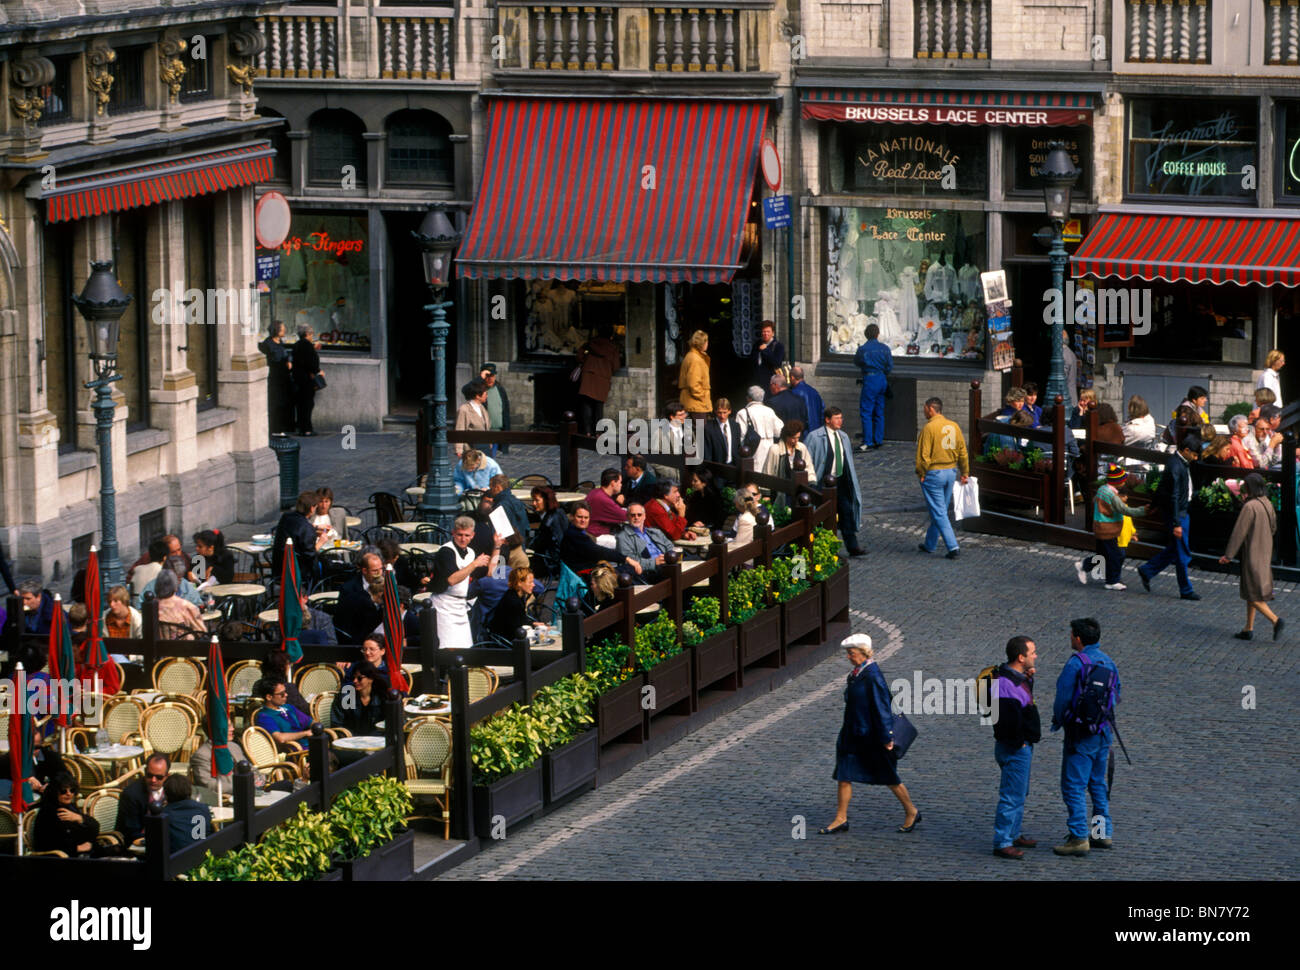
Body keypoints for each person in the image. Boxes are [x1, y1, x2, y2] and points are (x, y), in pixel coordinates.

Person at [820, 634, 920, 835]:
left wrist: (886, 738)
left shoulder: (872, 676)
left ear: (863, 653)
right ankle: (841, 818)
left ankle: (911, 810)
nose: (848, 657)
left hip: (871, 738)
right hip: (853, 735)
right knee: (844, 774)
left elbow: (882, 708)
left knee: (888, 776)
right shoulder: (859, 673)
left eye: (851, 653)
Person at [1051, 618, 1121, 855]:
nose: (1070, 638)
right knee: (1098, 784)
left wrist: (1058, 721)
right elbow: (1116, 693)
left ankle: (1079, 837)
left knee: (1073, 785)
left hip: (1080, 734)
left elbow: (1062, 698)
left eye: (1071, 635)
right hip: (1103, 733)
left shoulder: (1075, 664)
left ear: (1078, 638)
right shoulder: (1109, 662)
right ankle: (1102, 833)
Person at [1137, 425, 1202, 600]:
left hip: (1179, 511)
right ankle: (1186, 590)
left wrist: (1154, 504)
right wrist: (1176, 523)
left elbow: (1164, 489)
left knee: (1176, 549)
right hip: (1179, 514)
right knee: (1182, 552)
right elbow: (1173, 495)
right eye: (1195, 455)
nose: (1195, 458)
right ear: (1186, 450)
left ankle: (1147, 570)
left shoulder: (1176, 463)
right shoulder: (1176, 466)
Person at [991, 636, 1041, 859]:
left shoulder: (1014, 678)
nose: (1035, 656)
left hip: (1018, 746)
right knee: (1012, 795)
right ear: (1021, 657)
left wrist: (1028, 680)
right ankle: (1003, 842)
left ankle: (1012, 834)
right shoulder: (1006, 685)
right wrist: (1019, 742)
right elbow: (1007, 719)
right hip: (1015, 748)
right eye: (1032, 652)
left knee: (1019, 792)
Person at [1219, 473, 1284, 641]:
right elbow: (1274, 527)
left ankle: (1275, 620)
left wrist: (1228, 555)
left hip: (1252, 553)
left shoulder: (1250, 507)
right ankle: (1248, 628)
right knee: (1252, 590)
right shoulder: (1267, 503)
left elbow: (1238, 533)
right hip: (1265, 551)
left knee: (1252, 593)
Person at [429, 516, 501, 651]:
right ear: (453, 533)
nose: (463, 539)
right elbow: (451, 580)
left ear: (472, 535)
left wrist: (497, 546)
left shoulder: (471, 553)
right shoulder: (446, 551)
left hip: (461, 606)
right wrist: (474, 564)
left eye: (467, 535)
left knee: (466, 649)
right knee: (449, 650)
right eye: (459, 535)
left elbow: (492, 572)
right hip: (444, 606)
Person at [804, 406, 865, 556]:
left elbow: (847, 459)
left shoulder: (843, 436)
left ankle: (853, 546)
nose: (840, 421)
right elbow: (806, 458)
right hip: (822, 483)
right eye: (837, 418)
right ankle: (824, 548)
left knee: (847, 512)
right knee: (822, 515)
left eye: (841, 418)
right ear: (827, 420)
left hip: (841, 481)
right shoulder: (815, 436)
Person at [1075, 464, 1147, 590]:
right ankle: (1112, 581)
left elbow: (1094, 501)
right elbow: (1125, 510)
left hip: (1099, 527)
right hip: (1108, 529)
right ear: (1117, 482)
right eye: (1123, 480)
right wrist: (1144, 510)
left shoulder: (1102, 489)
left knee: (1103, 554)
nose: (1124, 482)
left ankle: (1084, 565)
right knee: (1116, 555)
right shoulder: (1112, 496)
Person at [915, 397, 969, 559]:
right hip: (951, 471)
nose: (924, 411)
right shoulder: (954, 426)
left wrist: (921, 473)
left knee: (939, 512)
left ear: (931, 408)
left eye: (925, 408)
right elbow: (962, 451)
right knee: (940, 509)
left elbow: (923, 456)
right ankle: (930, 543)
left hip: (934, 473)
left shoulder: (929, 428)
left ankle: (953, 546)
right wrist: (964, 472)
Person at [34, 774, 106, 857]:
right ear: (54, 792)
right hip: (59, 859)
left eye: (72, 790)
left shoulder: (70, 807)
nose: (69, 794)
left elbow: (95, 828)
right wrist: (77, 848)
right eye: (63, 791)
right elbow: (48, 843)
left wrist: (80, 818)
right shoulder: (48, 812)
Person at [115, 754, 171, 844]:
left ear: (167, 776)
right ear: (145, 771)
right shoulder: (131, 794)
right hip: (136, 843)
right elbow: (132, 831)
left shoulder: (171, 789)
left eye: (159, 777)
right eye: (149, 775)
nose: (153, 780)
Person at [854, 323, 893, 451]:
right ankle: (878, 439)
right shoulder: (885, 348)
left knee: (866, 411)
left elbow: (857, 362)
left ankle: (868, 441)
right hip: (882, 379)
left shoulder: (863, 349)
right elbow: (889, 366)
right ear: (877, 334)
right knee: (879, 411)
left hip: (870, 378)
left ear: (866, 335)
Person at [575, 326, 621, 435]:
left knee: (586, 404)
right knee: (598, 407)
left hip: (588, 375)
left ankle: (587, 431)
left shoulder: (590, 344)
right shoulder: (613, 348)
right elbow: (616, 366)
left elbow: (579, 356)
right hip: (602, 378)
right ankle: (598, 432)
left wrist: (586, 360)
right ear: (610, 335)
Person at [253, 676, 316, 752]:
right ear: (269, 697)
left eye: (285, 692)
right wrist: (305, 733)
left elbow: (310, 721)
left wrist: (316, 727)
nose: (286, 695)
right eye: (282, 694)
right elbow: (280, 738)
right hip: (294, 751)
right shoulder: (264, 716)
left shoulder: (288, 707)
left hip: (308, 746)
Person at [334, 551, 386, 644]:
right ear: (364, 571)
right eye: (374, 571)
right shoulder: (348, 589)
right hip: (358, 637)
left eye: (381, 569)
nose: (379, 574)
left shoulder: (386, 583)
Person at [614, 504, 673, 581]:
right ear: (628, 517)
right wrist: (654, 562)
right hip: (651, 571)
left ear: (644, 516)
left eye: (639, 515)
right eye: (633, 515)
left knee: (692, 561)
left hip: (668, 563)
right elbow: (629, 560)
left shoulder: (655, 532)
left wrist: (669, 557)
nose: (636, 517)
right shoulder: (622, 537)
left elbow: (669, 545)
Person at [462, 363, 511, 456]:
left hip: (497, 433)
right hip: (483, 434)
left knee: (491, 461)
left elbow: (506, 412)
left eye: (492, 376)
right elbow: (465, 390)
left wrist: (507, 435)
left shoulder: (500, 389)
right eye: (487, 376)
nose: (490, 379)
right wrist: (480, 378)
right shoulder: (479, 391)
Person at [272, 490, 320, 583]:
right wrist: (321, 542)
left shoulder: (286, 517)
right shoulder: (306, 528)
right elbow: (310, 555)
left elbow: (295, 529)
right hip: (299, 572)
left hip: (279, 569)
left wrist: (314, 528)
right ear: (312, 508)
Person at [488, 567, 549, 640]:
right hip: (504, 642)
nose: (533, 585)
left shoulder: (515, 595)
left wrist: (533, 623)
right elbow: (515, 626)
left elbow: (519, 619)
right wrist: (533, 626)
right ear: (519, 583)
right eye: (530, 582)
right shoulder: (513, 601)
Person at [330, 660, 388, 734]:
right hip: (350, 740)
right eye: (353, 677)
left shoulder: (381, 696)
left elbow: (386, 723)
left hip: (376, 739)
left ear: (370, 679)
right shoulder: (347, 696)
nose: (355, 681)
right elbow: (337, 723)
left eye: (359, 678)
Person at [489, 474, 532, 570]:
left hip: (506, 552)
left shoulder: (499, 506)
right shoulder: (517, 502)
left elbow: (498, 534)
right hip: (520, 548)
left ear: (497, 487)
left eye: (491, 487)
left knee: (501, 578)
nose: (490, 490)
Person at [259, 321, 295, 434]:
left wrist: (288, 361)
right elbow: (270, 360)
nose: (284, 331)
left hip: (283, 377)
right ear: (277, 330)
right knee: (276, 402)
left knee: (284, 402)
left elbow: (284, 354)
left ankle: (283, 427)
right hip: (275, 377)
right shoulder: (268, 344)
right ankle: (275, 428)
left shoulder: (280, 342)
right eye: (282, 329)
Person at [735, 385, 782, 471]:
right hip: (770, 449)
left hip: (752, 450)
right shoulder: (770, 411)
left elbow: (740, 435)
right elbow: (779, 431)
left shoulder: (742, 413)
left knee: (754, 478)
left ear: (749, 398)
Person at [161, 774, 214, 850]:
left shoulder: (164, 815)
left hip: (177, 859)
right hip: (203, 857)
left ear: (166, 794)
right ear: (190, 790)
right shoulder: (204, 808)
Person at [191, 721, 247, 792]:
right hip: (224, 798)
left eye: (232, 725)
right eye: (228, 726)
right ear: (216, 729)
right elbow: (208, 784)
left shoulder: (234, 746)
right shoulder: (202, 755)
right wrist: (241, 787)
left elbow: (250, 769)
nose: (232, 729)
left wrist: (259, 779)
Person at [153, 569, 207, 637]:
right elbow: (201, 632)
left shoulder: (149, 607)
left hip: (157, 647)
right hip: (183, 646)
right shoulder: (187, 606)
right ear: (175, 587)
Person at [529, 486, 568, 578]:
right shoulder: (558, 512)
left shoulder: (549, 522)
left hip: (550, 563)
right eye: (533, 500)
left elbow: (555, 543)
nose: (533, 503)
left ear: (546, 501)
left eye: (537, 500)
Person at [291, 324, 323, 436]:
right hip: (307, 379)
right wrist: (318, 371)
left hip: (298, 379)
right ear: (307, 334)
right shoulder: (308, 347)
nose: (312, 336)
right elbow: (311, 363)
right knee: (308, 404)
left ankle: (301, 428)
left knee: (300, 405)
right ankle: (307, 429)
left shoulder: (296, 345)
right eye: (311, 334)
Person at [702, 397, 743, 484]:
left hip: (733, 467)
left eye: (725, 412)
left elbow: (737, 446)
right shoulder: (708, 428)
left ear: (730, 411)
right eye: (719, 413)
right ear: (715, 412)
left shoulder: (735, 426)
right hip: (717, 470)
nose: (722, 416)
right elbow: (707, 452)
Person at [560, 502, 609, 571]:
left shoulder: (576, 532)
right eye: (579, 517)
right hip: (580, 574)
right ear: (572, 517)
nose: (583, 520)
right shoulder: (574, 535)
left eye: (586, 517)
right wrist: (625, 558)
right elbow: (598, 551)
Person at [761, 419, 812, 483]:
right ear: (786, 436)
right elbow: (768, 472)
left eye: (798, 437)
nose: (796, 440)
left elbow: (809, 468)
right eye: (793, 438)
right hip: (780, 487)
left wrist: (811, 482)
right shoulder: (775, 450)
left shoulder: (801, 448)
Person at [678, 330, 712, 419]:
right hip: (696, 404)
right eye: (706, 341)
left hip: (691, 403)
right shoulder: (695, 359)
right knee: (699, 431)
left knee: (689, 431)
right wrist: (703, 397)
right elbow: (693, 384)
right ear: (701, 343)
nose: (707, 343)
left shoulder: (691, 356)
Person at [585, 468, 629, 538]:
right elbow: (626, 516)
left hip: (592, 529)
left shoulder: (595, 492)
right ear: (613, 483)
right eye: (620, 482)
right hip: (597, 533)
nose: (621, 485)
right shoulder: (603, 499)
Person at [454, 380, 492, 458]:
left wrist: (489, 442)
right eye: (485, 394)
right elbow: (459, 429)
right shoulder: (464, 409)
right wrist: (459, 450)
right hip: (471, 449)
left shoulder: (482, 408)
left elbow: (486, 427)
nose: (487, 396)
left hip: (484, 447)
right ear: (478, 396)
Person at [129, 537, 171, 606]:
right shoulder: (163, 572)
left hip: (135, 607)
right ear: (164, 557)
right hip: (152, 609)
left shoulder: (137, 569)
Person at [683, 467, 725, 534]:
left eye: (695, 481)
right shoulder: (696, 495)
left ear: (704, 483)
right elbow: (691, 514)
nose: (692, 483)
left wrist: (703, 525)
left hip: (709, 531)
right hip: (695, 528)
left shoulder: (714, 498)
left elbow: (718, 520)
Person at [788, 365, 826, 434]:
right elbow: (822, 412)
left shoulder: (793, 393)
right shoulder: (815, 392)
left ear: (792, 377)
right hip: (817, 431)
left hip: (803, 433)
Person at [752, 320, 785, 393]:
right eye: (764, 331)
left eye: (768, 331)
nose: (766, 334)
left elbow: (777, 363)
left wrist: (766, 350)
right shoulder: (756, 345)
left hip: (771, 384)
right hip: (757, 383)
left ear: (773, 333)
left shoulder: (779, 346)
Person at [729, 485, 762, 550]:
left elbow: (739, 545)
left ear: (738, 502)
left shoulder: (745, 518)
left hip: (746, 556)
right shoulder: (754, 513)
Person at [1061, 331, 1080, 411]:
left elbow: (1063, 376)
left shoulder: (1062, 354)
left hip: (1066, 397)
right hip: (1072, 395)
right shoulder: (1070, 353)